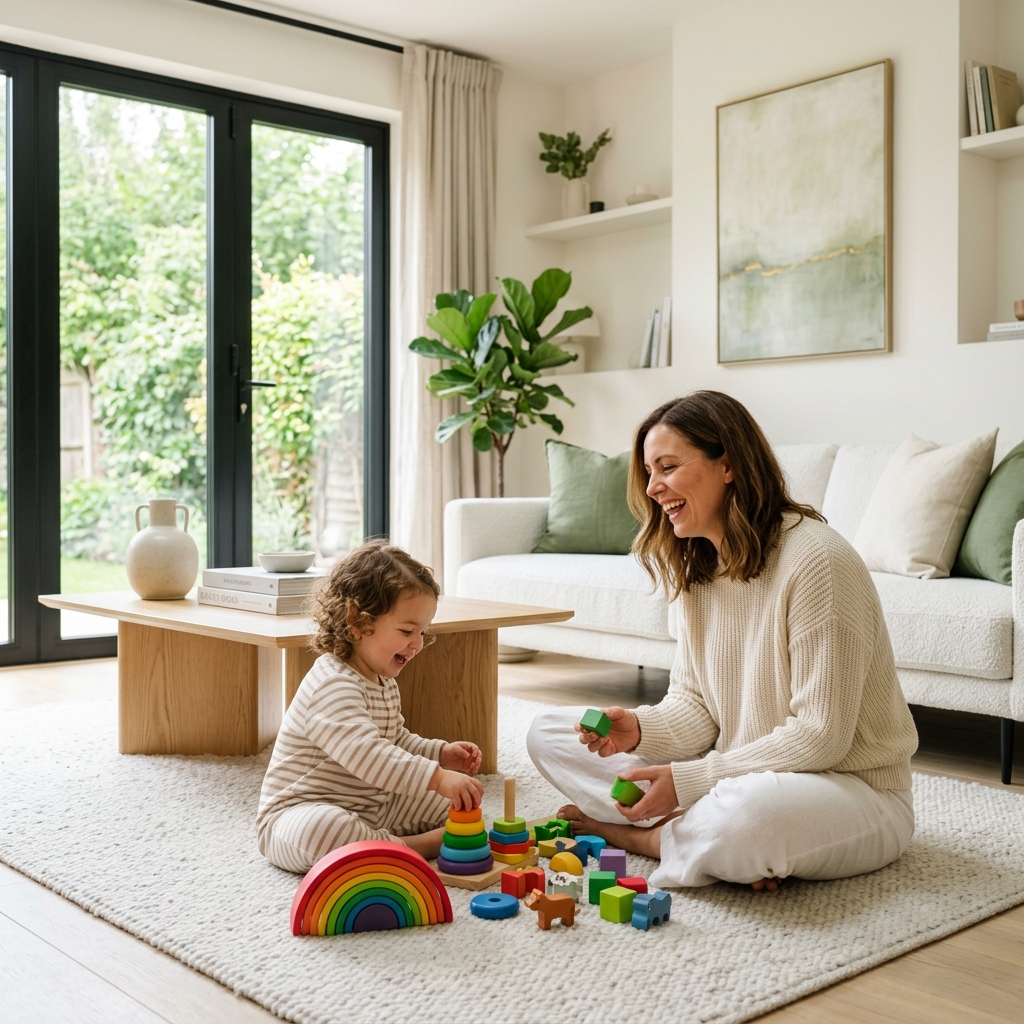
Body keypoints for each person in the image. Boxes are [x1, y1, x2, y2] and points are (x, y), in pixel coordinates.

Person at [527, 391, 918, 891]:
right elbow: (697, 709)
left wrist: (690, 783)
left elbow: (821, 736)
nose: (653, 488)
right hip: (743, 776)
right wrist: (638, 731)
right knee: (548, 731)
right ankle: (712, 841)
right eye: (649, 473)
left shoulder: (819, 560)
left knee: (749, 817)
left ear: (727, 465)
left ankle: (647, 838)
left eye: (667, 467)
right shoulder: (698, 566)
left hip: (852, 790)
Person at [256, 539, 483, 873]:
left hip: (371, 805)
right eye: (408, 630)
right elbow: (370, 755)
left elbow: (395, 740)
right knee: (324, 829)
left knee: (456, 802)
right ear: (358, 622)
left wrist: (439, 753)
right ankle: (409, 847)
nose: (418, 644)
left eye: (423, 632)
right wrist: (436, 776)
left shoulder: (383, 682)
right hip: (297, 814)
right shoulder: (331, 684)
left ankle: (376, 841)